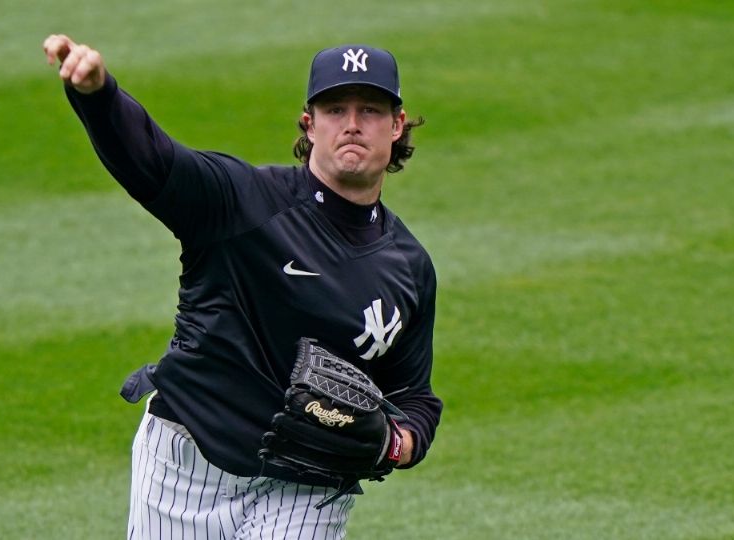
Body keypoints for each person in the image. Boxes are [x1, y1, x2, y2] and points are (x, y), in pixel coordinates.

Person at [42, 35, 443, 539]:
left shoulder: (408, 266)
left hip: (309, 484)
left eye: (371, 109)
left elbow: (414, 394)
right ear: (309, 124)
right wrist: (98, 94)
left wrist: (398, 443)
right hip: (186, 461)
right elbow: (153, 161)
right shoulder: (242, 201)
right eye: (335, 108)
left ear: (397, 125)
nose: (353, 124)